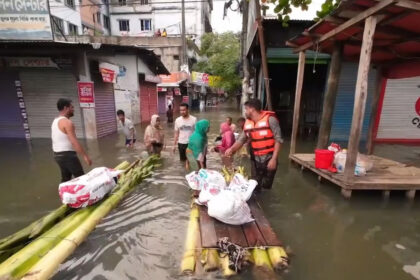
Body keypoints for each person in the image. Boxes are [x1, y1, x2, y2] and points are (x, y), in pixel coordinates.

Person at [225, 99, 283, 192]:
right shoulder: (248, 123)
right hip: (255, 159)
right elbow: (241, 139)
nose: (245, 112)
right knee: (255, 184)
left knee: (267, 186)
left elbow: (278, 140)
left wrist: (274, 159)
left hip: (269, 158)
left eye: (246, 109)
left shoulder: (270, 120)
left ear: (252, 109)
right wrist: (232, 149)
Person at [52, 98, 92, 182]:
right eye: (72, 107)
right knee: (82, 178)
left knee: (66, 178)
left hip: (57, 155)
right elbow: (74, 142)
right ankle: (86, 194)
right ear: (66, 108)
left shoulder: (55, 121)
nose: (73, 109)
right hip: (67, 155)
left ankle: (63, 194)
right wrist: (85, 156)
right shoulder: (67, 123)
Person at [173, 103, 197, 167]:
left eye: (184, 110)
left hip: (191, 143)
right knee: (182, 161)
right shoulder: (177, 120)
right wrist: (174, 145)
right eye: (181, 110)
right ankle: (183, 173)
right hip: (181, 143)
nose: (182, 112)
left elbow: (196, 132)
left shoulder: (194, 119)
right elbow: (176, 133)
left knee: (191, 160)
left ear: (188, 110)